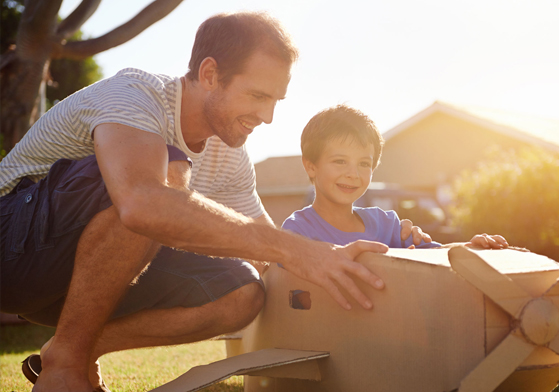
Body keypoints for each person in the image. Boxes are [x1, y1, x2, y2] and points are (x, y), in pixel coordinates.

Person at [0, 13, 425, 392]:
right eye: (258, 96)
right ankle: (66, 371)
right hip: (12, 250)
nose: (269, 116)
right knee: (160, 179)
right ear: (209, 74)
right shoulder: (135, 95)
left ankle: (67, 350)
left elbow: (267, 252)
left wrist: (363, 261)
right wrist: (297, 248)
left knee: (241, 289)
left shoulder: (229, 153)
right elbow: (141, 203)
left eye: (276, 100)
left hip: (76, 283)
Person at [281, 105, 509, 250]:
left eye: (364, 163)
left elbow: (438, 255)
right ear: (311, 166)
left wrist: (469, 247)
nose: (353, 173)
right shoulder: (297, 232)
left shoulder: (386, 224)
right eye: (340, 161)